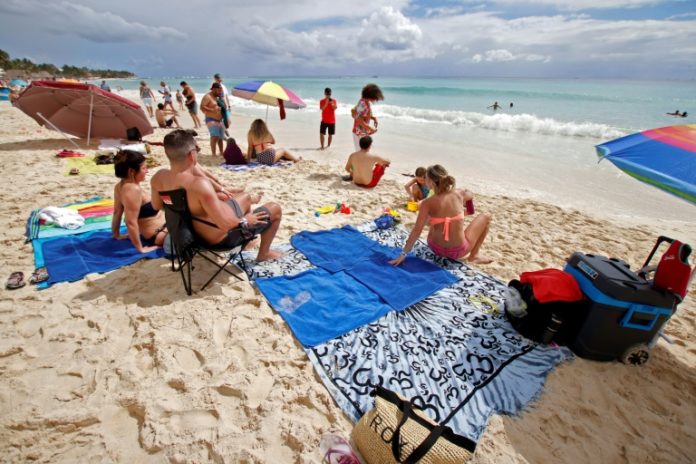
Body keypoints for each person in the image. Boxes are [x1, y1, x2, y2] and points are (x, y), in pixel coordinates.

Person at [151, 129, 283, 262]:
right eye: (197, 149)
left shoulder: (159, 178)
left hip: (189, 233)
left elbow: (157, 205)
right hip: (217, 239)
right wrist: (246, 220)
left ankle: (248, 241)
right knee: (275, 208)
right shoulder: (198, 185)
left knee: (245, 197)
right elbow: (226, 225)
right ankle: (263, 253)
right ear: (191, 155)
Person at [389, 164, 492, 266]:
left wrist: (403, 254)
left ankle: (445, 222)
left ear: (431, 182)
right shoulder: (462, 193)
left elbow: (417, 230)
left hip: (435, 248)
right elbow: (471, 210)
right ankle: (474, 255)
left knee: (433, 218)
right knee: (486, 216)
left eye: (426, 178)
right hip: (458, 252)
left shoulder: (427, 203)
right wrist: (458, 214)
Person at [112, 150, 167, 253]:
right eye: (144, 168)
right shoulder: (133, 190)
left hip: (159, 231)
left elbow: (117, 212)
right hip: (160, 234)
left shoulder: (119, 186)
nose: (147, 171)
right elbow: (130, 222)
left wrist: (116, 235)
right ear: (131, 171)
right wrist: (140, 248)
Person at [351, 83, 383, 150]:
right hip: (359, 134)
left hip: (362, 133)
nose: (376, 99)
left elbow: (363, 115)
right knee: (361, 155)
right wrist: (370, 128)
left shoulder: (366, 102)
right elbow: (358, 119)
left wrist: (373, 118)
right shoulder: (363, 104)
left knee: (364, 154)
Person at [200, 83, 226, 156]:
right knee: (215, 137)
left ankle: (221, 152)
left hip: (220, 120)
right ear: (214, 89)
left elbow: (224, 107)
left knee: (220, 138)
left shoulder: (218, 97)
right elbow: (202, 107)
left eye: (221, 91)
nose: (220, 92)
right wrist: (212, 110)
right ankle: (213, 154)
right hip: (211, 119)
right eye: (219, 91)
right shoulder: (207, 97)